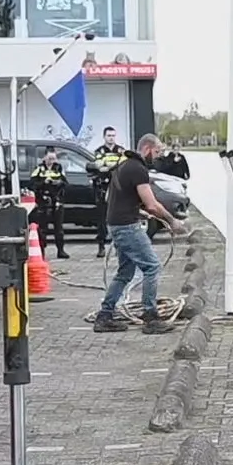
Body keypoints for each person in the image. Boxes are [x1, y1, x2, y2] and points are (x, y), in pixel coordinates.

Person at [95, 133, 187, 335]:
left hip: (116, 224)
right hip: (127, 227)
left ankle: (104, 315)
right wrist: (172, 221)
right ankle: (150, 317)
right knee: (152, 267)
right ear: (147, 149)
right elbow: (152, 204)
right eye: (157, 152)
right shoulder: (138, 169)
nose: (158, 157)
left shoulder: (123, 165)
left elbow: (117, 198)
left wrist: (137, 210)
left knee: (125, 273)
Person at [88, 126, 130, 258]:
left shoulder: (121, 151)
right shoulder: (99, 151)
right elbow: (99, 166)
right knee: (101, 218)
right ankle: (101, 246)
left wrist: (109, 166)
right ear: (104, 137)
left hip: (117, 188)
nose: (111, 138)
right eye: (109, 136)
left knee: (117, 218)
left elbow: (123, 166)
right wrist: (112, 166)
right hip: (102, 188)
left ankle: (118, 247)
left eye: (113, 135)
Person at [28, 147, 70, 259]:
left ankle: (61, 250)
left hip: (57, 201)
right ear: (44, 157)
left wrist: (58, 182)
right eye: (50, 158)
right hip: (43, 201)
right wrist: (43, 182)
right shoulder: (39, 168)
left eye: (54, 158)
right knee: (42, 229)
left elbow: (66, 183)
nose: (52, 161)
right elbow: (32, 184)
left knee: (59, 228)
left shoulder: (59, 168)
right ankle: (41, 252)